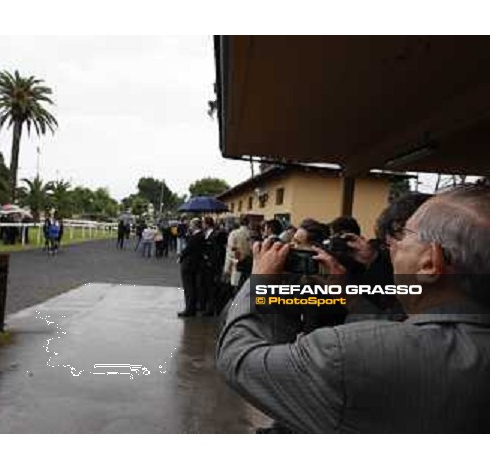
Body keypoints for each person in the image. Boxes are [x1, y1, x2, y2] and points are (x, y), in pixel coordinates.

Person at [216, 184, 490, 433]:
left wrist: (261, 284)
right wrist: (347, 293)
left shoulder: (344, 354)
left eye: (403, 236)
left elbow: (238, 359)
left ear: (430, 263)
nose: (390, 246)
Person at [178, 218, 204, 317]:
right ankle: (191, 307)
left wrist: (181, 256)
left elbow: (188, 249)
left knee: (189, 287)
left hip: (190, 264)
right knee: (191, 287)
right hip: (193, 264)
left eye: (191, 224)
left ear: (195, 225)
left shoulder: (197, 236)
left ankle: (189, 309)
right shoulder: (198, 235)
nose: (189, 226)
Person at [223, 216, 252, 290]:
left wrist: (226, 269)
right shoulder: (253, 233)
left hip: (237, 264)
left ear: (239, 223)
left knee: (237, 288)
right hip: (251, 265)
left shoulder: (234, 233)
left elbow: (230, 253)